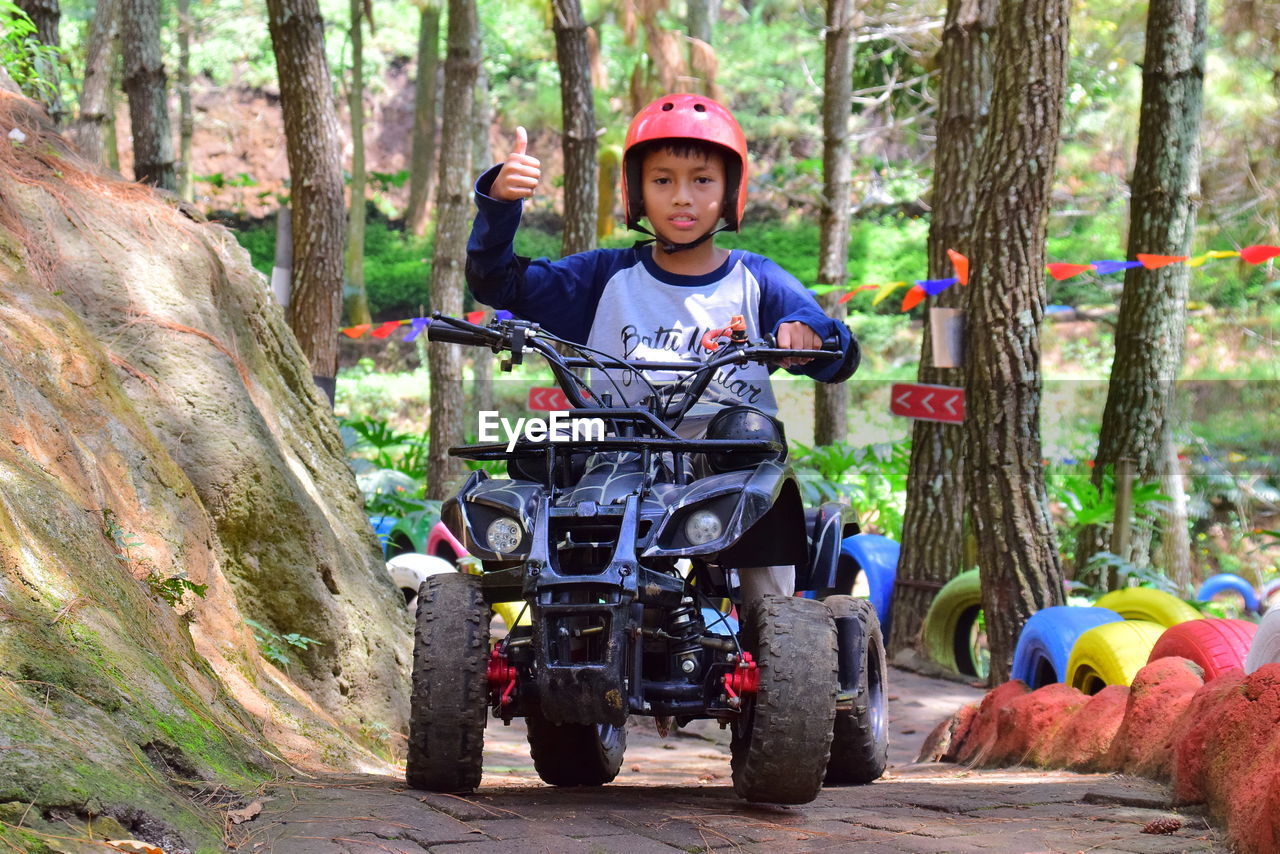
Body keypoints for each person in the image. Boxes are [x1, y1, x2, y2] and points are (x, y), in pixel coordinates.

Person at [465, 93, 859, 606]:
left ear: (730, 191)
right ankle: (554, 622)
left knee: (755, 472)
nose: (682, 197)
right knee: (539, 452)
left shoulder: (755, 279)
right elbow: (500, 285)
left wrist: (809, 335)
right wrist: (500, 207)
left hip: (722, 457)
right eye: (662, 180)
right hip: (614, 453)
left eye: (701, 180)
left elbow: (831, 343)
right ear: (637, 191)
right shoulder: (603, 277)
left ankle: (776, 641)